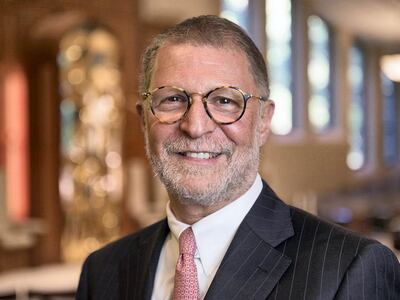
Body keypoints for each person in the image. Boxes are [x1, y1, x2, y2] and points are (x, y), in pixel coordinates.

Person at [76, 15, 400, 300]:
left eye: (225, 101)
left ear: (263, 122)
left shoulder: (349, 268)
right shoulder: (103, 270)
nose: (195, 126)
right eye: (173, 99)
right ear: (143, 119)